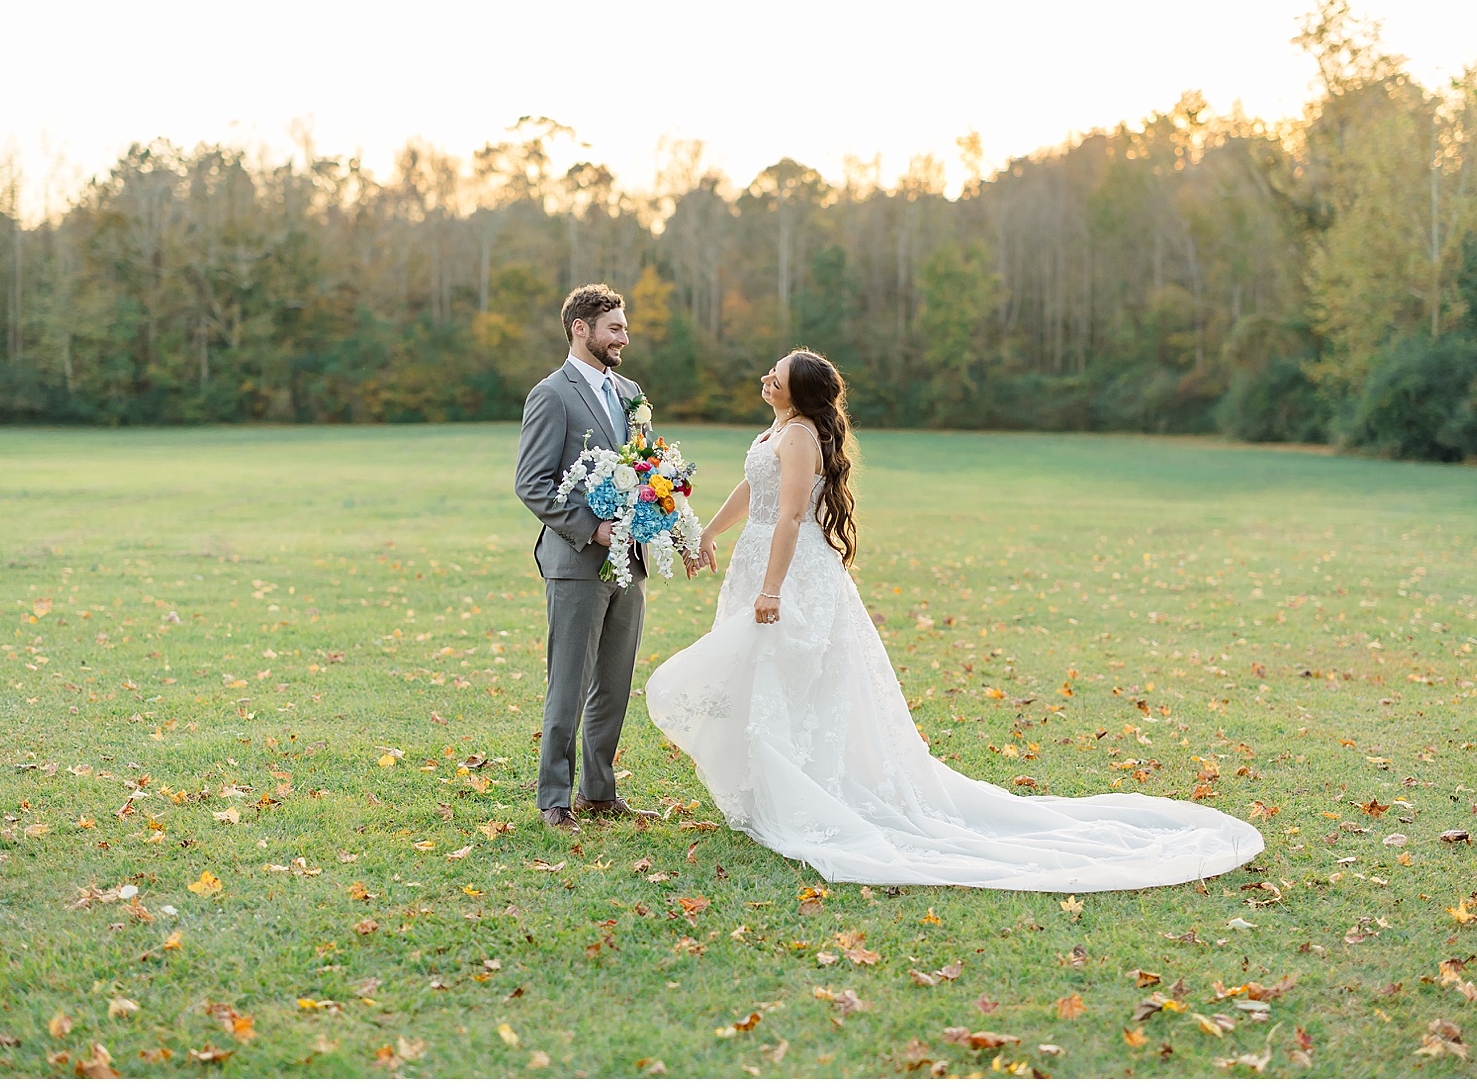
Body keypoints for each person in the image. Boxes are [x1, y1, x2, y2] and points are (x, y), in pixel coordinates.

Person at [648, 348, 1264, 891]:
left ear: (798, 392)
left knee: (788, 679)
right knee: (763, 678)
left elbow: (788, 516)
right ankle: (768, 787)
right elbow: (751, 491)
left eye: (776, 375)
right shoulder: (777, 429)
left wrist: (772, 589)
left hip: (792, 571)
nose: (765, 377)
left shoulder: (802, 436)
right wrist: (710, 533)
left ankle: (804, 789)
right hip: (760, 558)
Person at [514, 284, 682, 832]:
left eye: (625, 328)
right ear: (580, 329)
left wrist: (667, 521)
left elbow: (648, 468)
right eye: (615, 328)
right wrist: (593, 530)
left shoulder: (631, 393)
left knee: (613, 684)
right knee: (569, 685)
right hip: (576, 561)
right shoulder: (551, 395)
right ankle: (554, 799)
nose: (624, 338)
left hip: (631, 560)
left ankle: (599, 794)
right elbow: (532, 483)